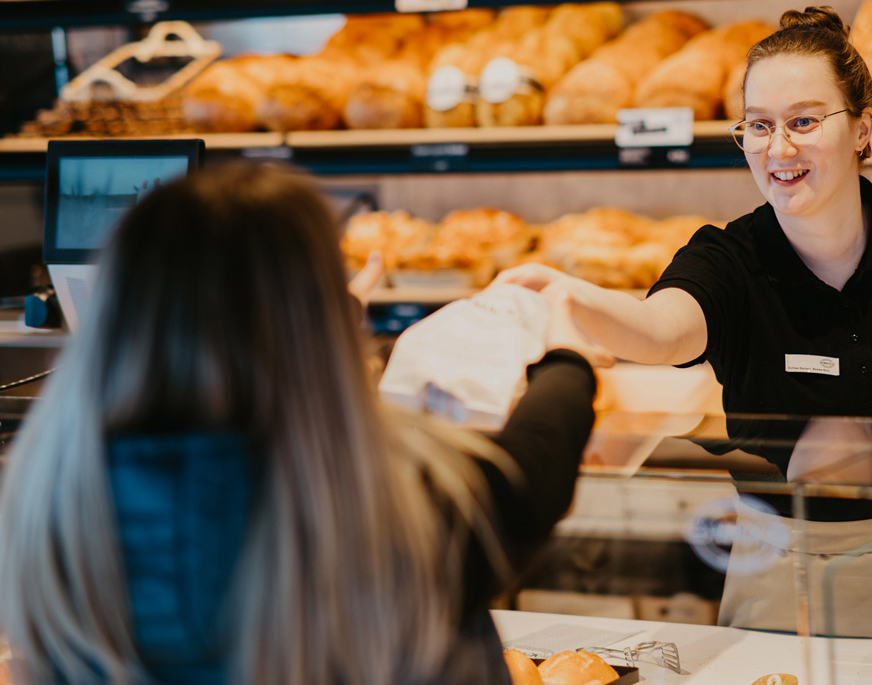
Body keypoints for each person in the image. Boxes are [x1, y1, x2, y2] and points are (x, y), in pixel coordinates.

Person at [497, 7, 872, 659]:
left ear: (863, 127)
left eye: (804, 121)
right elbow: (661, 329)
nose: (778, 149)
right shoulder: (730, 260)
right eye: (759, 125)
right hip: (782, 589)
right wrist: (570, 295)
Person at [0, 161, 609, 685]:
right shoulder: (390, 519)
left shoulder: (52, 509)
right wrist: (566, 357)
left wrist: (320, 317)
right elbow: (530, 474)